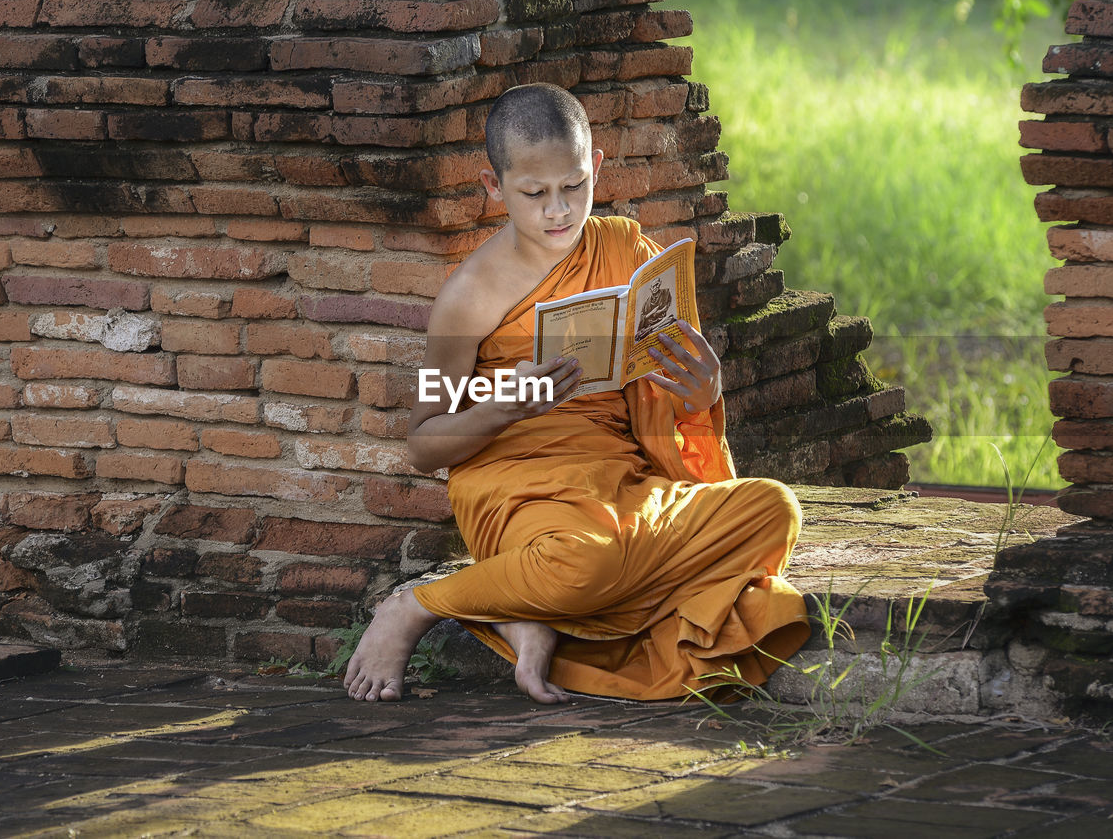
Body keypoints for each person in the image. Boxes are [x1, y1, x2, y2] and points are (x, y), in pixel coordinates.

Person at [343, 83, 809, 704]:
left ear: (596, 168)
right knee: (581, 564)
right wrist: (505, 405)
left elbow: (669, 401)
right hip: (520, 487)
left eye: (574, 188)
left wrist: (702, 394)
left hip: (620, 480)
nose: (558, 211)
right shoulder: (465, 298)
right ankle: (416, 606)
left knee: (773, 508)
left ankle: (531, 609)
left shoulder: (624, 250)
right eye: (534, 195)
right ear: (493, 186)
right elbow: (423, 445)